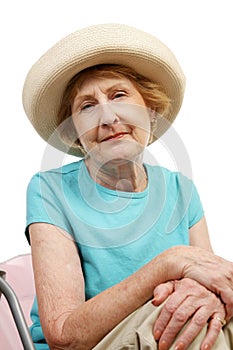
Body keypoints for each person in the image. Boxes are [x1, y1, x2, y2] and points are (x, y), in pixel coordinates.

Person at [22, 23, 233, 350]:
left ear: (149, 111)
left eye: (119, 95)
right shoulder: (50, 191)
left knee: (205, 319)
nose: (107, 118)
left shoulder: (181, 190)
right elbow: (64, 334)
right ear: (75, 133)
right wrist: (168, 263)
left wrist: (218, 301)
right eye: (87, 106)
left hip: (164, 329)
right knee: (192, 329)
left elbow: (208, 283)